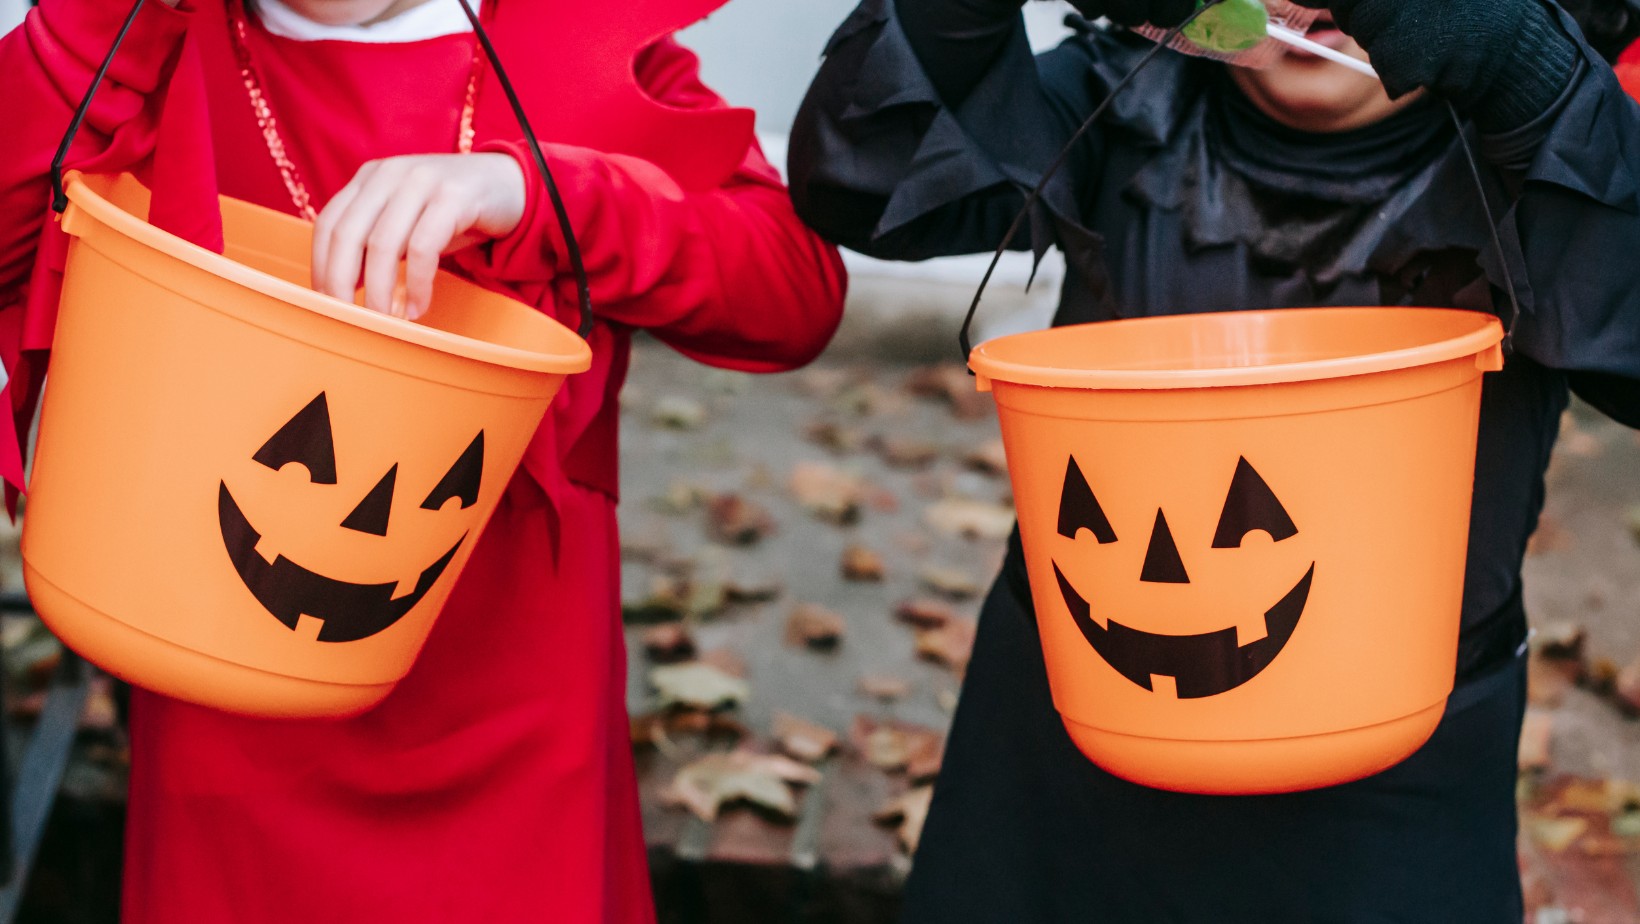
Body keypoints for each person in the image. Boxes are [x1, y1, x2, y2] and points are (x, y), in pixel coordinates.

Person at [788, 0, 1640, 920]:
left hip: (1399, 780)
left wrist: (1524, 69)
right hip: (1068, 721)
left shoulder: (1550, 144)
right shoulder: (1122, 98)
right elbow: (864, 180)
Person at [0, 0, 846, 919]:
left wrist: (540, 195)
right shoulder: (144, 36)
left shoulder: (569, 32)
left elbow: (793, 287)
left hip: (519, 708)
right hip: (229, 712)